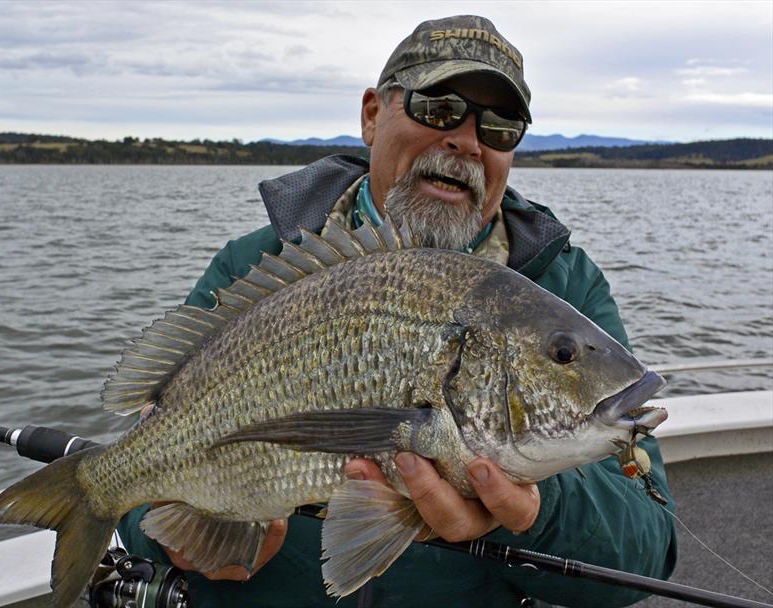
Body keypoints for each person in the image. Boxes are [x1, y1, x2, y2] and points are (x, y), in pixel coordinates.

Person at [118, 15, 676, 607]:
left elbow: (647, 546)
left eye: (499, 126)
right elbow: (141, 474)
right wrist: (174, 539)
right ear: (371, 115)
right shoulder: (255, 267)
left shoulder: (566, 287)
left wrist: (538, 508)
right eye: (438, 108)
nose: (465, 140)